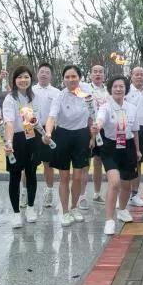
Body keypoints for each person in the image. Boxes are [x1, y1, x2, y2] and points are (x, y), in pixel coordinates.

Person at [91, 76, 141, 235]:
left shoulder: (132, 108)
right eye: (115, 86)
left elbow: (135, 131)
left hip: (128, 147)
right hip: (110, 148)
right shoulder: (105, 107)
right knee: (114, 183)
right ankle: (109, 220)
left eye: (121, 86)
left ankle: (122, 210)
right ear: (110, 89)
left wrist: (137, 150)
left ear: (126, 89)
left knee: (126, 185)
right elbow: (100, 120)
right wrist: (97, 126)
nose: (118, 89)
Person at [44, 65, 90, 226]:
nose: (71, 80)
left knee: (78, 176)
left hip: (82, 135)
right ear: (63, 79)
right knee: (64, 177)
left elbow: (93, 114)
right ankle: (64, 212)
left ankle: (74, 207)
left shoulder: (87, 93)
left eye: (74, 76)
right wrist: (48, 132)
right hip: (63, 135)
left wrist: (93, 135)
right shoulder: (60, 96)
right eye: (67, 77)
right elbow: (51, 117)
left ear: (80, 78)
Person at [3, 66, 40, 228]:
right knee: (15, 176)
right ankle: (16, 213)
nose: (23, 80)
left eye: (26, 77)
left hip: (32, 137)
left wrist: (44, 135)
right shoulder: (10, 98)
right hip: (16, 139)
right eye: (19, 77)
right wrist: (9, 142)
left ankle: (30, 208)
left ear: (31, 79)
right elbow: (9, 122)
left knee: (31, 173)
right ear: (14, 80)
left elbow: (37, 120)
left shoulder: (34, 97)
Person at [32, 63, 61, 208]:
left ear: (51, 76)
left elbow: (57, 114)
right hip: (30, 130)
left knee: (48, 164)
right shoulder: (30, 90)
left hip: (49, 130)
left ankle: (49, 192)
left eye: (47, 72)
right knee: (29, 164)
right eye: (41, 71)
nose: (44, 74)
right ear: (37, 74)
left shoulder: (56, 92)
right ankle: (25, 192)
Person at [125, 66, 143, 208]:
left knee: (138, 162)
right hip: (126, 130)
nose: (139, 77)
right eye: (136, 74)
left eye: (142, 74)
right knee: (123, 162)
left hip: (141, 130)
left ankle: (134, 195)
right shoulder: (126, 91)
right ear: (131, 76)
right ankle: (122, 195)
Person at [83, 64, 109, 208]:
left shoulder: (108, 90)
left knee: (98, 161)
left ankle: (97, 193)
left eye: (100, 72)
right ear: (91, 74)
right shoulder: (85, 89)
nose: (98, 74)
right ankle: (82, 196)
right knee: (85, 163)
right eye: (95, 72)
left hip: (103, 129)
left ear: (104, 75)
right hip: (87, 127)